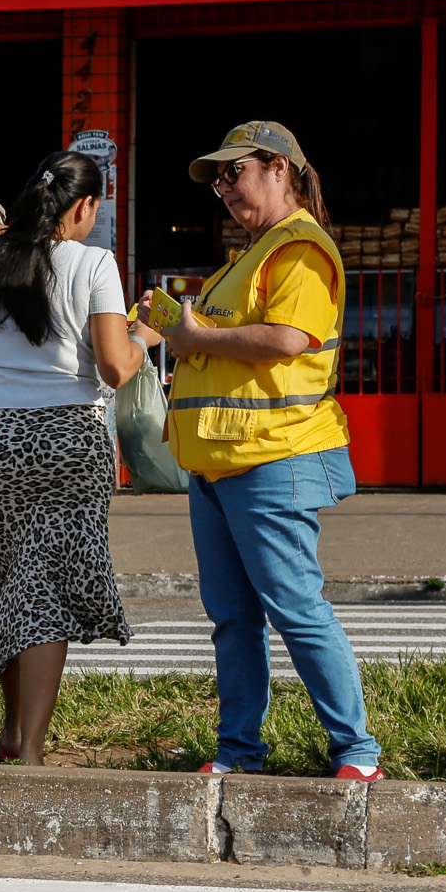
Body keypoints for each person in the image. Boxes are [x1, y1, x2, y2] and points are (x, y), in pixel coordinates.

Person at [141, 121, 382, 781]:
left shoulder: (299, 248)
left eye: (233, 173)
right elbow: (226, 342)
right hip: (221, 464)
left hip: (271, 456)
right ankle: (239, 751)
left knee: (296, 609)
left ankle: (356, 751)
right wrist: (179, 329)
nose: (223, 189)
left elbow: (287, 338)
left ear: (279, 168)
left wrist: (194, 334)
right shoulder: (251, 253)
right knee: (234, 620)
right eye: (217, 179)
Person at [0, 152, 160, 763]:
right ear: (85, 206)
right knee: (47, 589)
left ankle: (12, 738)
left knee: (11, 577)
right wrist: (144, 334)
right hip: (66, 439)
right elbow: (115, 368)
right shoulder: (95, 263)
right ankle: (31, 751)